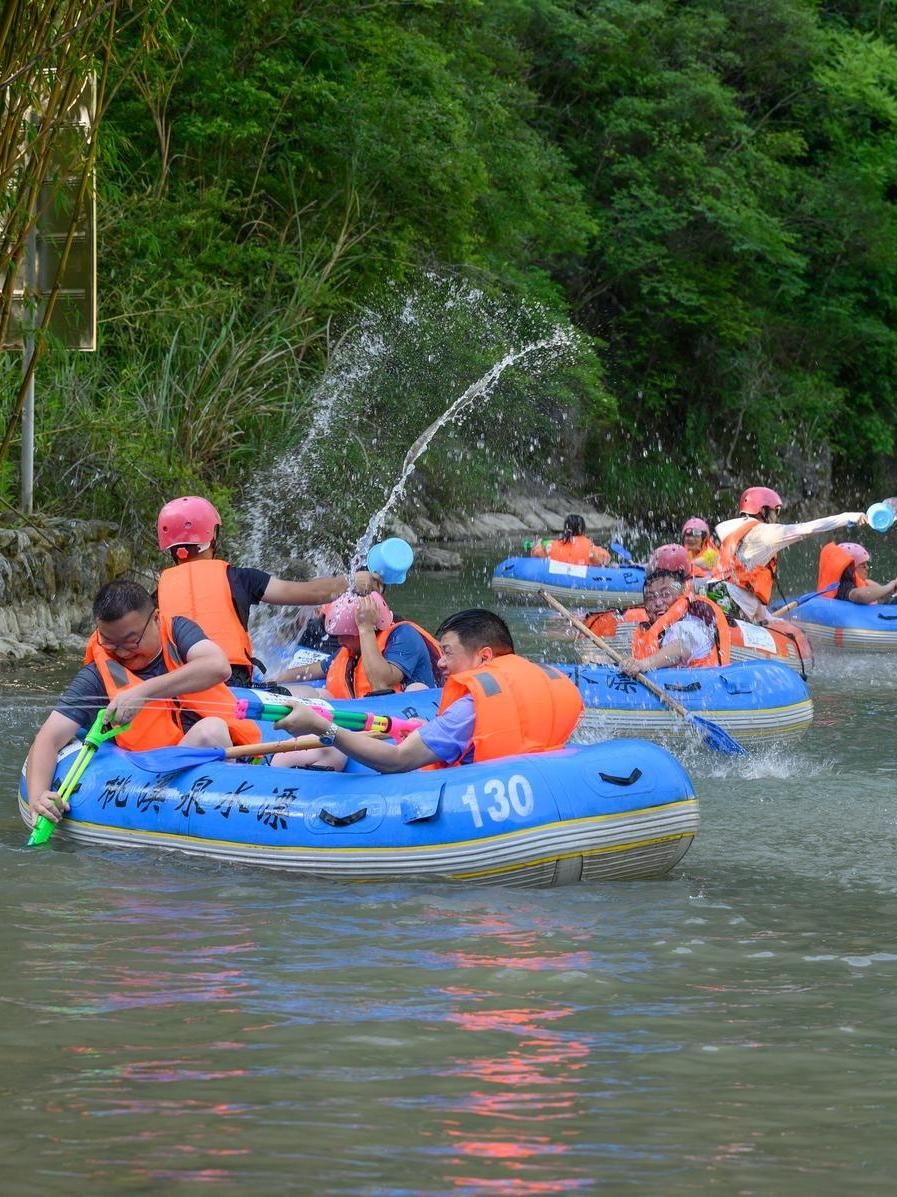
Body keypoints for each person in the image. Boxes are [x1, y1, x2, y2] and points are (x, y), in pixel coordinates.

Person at [25, 581, 261, 827]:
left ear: (156, 619)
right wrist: (37, 797)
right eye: (110, 642)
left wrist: (144, 693)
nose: (123, 652)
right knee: (210, 731)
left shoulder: (178, 632)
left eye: (131, 640)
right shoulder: (96, 676)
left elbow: (218, 667)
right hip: (156, 779)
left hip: (231, 755)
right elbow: (48, 738)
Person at [274, 608, 584, 773]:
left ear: (484, 656)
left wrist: (322, 726)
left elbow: (397, 760)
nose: (442, 663)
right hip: (544, 781)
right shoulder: (545, 677)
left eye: (448, 652)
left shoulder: (471, 707)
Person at [155, 496, 377, 687]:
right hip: (231, 683)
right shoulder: (240, 578)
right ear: (212, 536)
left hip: (177, 685)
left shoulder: (158, 595)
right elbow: (308, 592)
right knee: (305, 695)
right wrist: (352, 581)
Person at [712, 486, 866, 624]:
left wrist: (770, 619)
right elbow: (807, 529)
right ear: (763, 510)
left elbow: (746, 588)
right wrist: (847, 518)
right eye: (776, 511)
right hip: (731, 604)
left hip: (715, 593)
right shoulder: (765, 533)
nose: (776, 516)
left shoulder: (730, 529)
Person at [271, 588, 442, 698]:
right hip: (364, 712)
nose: (339, 640)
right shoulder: (352, 650)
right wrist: (270, 681)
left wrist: (365, 628)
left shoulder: (404, 636)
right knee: (320, 694)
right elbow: (313, 670)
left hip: (404, 717)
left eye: (345, 635)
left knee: (416, 689)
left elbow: (381, 684)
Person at [618, 546, 731, 673]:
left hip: (701, 687)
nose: (658, 602)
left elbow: (682, 646)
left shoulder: (691, 624)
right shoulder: (653, 627)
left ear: (680, 593)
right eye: (650, 597)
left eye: (665, 595)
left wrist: (643, 664)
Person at [816, 541, 897, 605]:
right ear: (849, 569)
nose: (867, 568)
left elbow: (881, 593)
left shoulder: (865, 582)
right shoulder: (842, 587)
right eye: (863, 565)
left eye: (867, 564)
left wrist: (892, 586)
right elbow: (859, 595)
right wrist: (889, 585)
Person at [529, 514, 611, 566]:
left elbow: (535, 553)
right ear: (583, 530)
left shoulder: (551, 546)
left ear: (565, 529)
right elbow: (606, 558)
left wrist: (537, 544)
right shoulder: (591, 549)